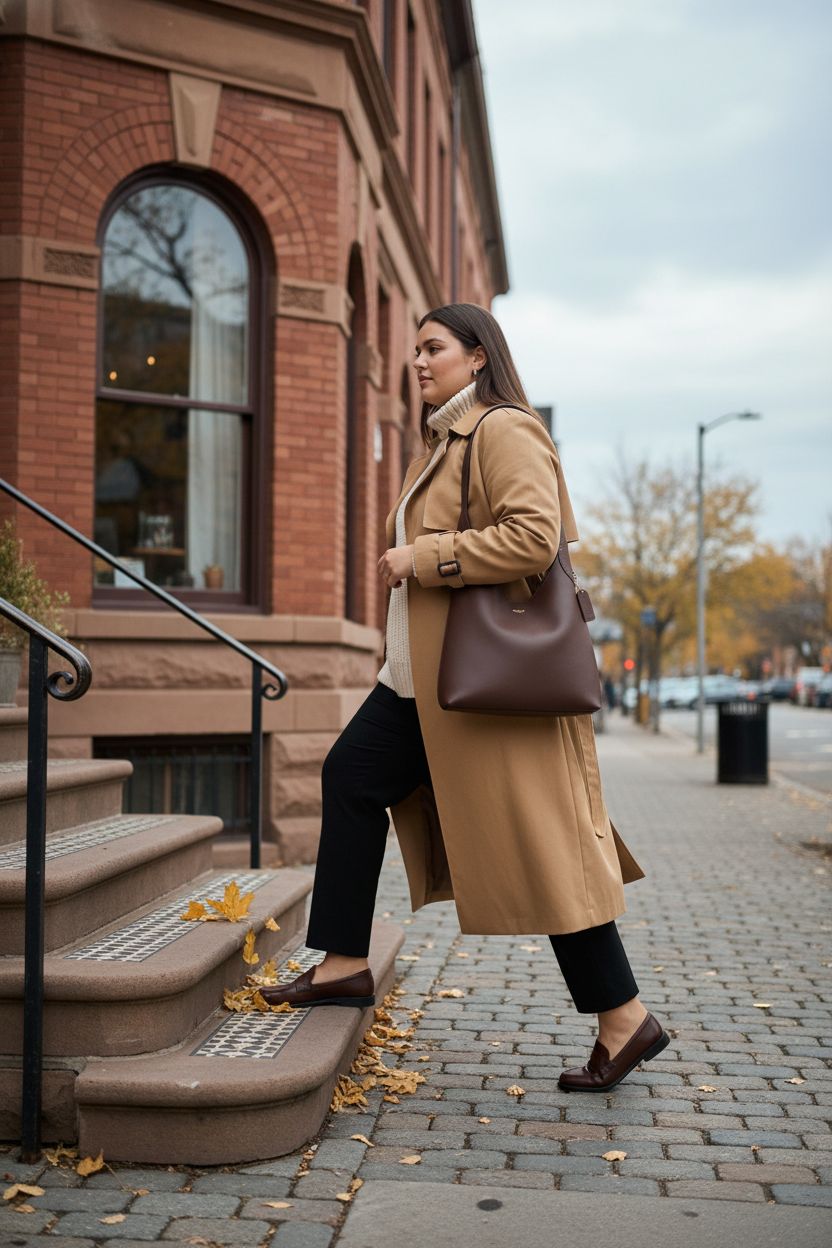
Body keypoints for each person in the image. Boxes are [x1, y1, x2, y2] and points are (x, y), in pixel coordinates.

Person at [261, 303, 669, 1092]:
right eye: (413, 349)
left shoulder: (502, 429)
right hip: (419, 688)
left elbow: (533, 537)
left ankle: (624, 1020)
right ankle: (344, 961)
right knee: (350, 777)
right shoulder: (443, 440)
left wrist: (424, 556)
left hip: (485, 694)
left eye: (433, 347)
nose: (417, 360)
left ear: (478, 356)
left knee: (545, 852)